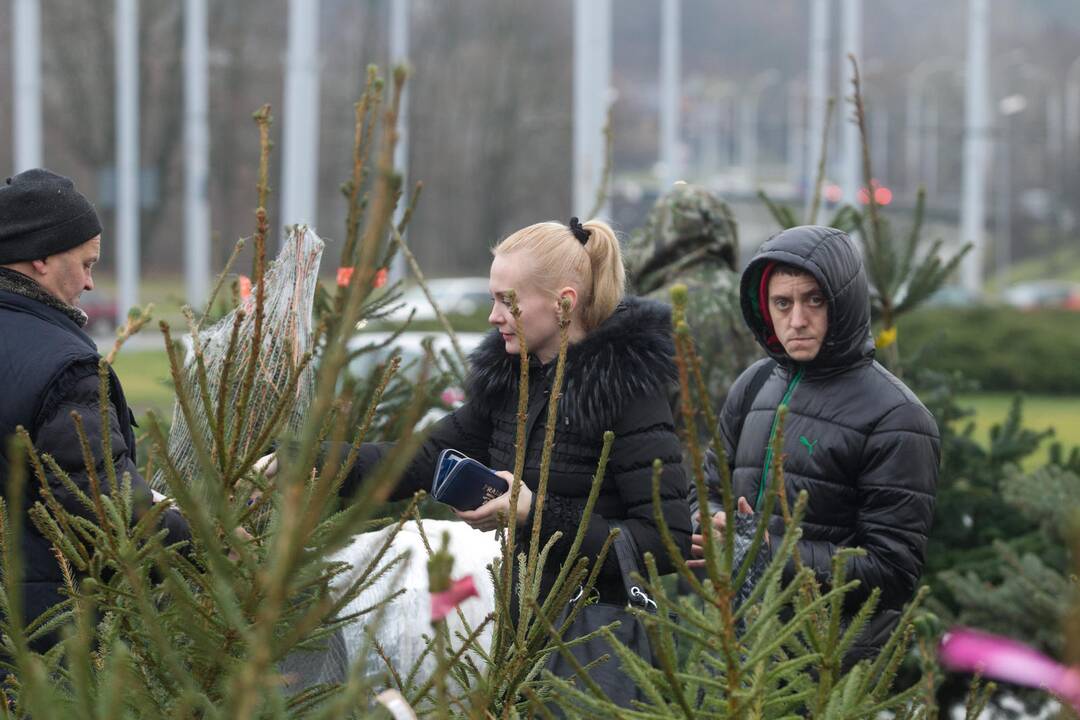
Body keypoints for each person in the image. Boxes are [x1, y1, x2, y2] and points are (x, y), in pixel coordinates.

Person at [265, 217, 691, 700]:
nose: (493, 316)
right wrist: (305, 459)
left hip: (598, 650)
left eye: (506, 301)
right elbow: (420, 460)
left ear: (564, 302)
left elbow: (663, 540)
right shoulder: (510, 385)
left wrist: (533, 510)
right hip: (516, 637)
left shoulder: (630, 394)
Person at [689, 224, 939, 662]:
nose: (797, 320)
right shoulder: (755, 383)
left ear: (842, 303)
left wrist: (772, 551)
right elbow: (707, 486)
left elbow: (892, 571)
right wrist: (710, 521)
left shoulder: (899, 418)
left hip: (831, 662)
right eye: (782, 303)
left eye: (814, 301)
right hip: (735, 645)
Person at [0, 169, 190, 654]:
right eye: (85, 264)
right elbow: (106, 501)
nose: (89, 282)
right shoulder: (63, 368)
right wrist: (209, 546)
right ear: (41, 256)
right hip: (45, 638)